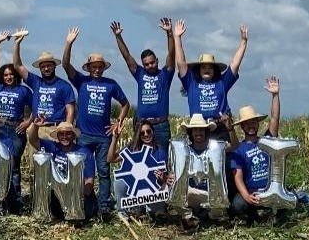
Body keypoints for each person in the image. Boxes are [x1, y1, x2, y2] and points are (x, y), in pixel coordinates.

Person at [62, 26, 130, 216]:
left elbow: (125, 104)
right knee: (82, 170)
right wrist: (69, 43)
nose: (97, 70)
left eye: (100, 67)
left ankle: (104, 206)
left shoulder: (111, 84)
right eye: (94, 67)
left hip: (104, 137)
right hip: (83, 135)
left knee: (104, 171)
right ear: (89, 68)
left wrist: (118, 122)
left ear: (103, 68)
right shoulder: (81, 81)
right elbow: (65, 65)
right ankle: (85, 202)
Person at [173, 19, 248, 140]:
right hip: (199, 128)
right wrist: (177, 38)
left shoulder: (222, 82)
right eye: (203, 67)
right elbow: (181, 63)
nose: (207, 69)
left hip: (220, 127)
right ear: (198, 70)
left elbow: (235, 64)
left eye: (210, 67)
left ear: (215, 70)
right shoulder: (191, 83)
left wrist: (243, 42)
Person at [110, 18, 175, 151]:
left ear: (157, 61)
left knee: (161, 159)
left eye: (152, 62)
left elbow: (171, 55)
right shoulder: (140, 74)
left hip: (160, 126)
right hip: (141, 126)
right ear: (143, 65)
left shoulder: (165, 74)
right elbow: (127, 56)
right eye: (146, 64)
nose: (150, 66)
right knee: (140, 159)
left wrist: (169, 34)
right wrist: (118, 37)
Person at [0, 30, 33, 212]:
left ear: (16, 75)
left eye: (11, 74)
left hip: (16, 131)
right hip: (0, 129)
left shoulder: (24, 91)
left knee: (13, 167)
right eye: (6, 74)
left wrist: (28, 122)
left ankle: (15, 203)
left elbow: (37, 108)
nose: (8, 77)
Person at [229, 76, 281, 224]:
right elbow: (237, 177)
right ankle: (252, 212)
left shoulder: (267, 140)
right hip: (252, 191)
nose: (251, 126)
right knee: (238, 205)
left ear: (258, 123)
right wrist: (246, 196)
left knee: (289, 199)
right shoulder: (238, 148)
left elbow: (274, 118)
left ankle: (273, 213)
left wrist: (275, 95)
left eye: (253, 122)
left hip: (270, 189)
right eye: (247, 123)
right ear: (242, 126)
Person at [11, 30, 76, 144]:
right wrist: (17, 44)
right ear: (40, 68)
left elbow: (70, 111)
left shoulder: (64, 86)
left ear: (54, 66)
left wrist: (66, 130)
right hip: (37, 129)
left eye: (49, 65)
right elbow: (17, 66)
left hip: (55, 129)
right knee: (35, 156)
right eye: (43, 66)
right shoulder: (36, 82)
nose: (46, 69)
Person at [27, 118, 97, 221]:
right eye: (61, 134)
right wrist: (35, 125)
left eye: (68, 134)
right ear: (57, 136)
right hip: (58, 193)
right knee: (57, 213)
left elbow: (89, 181)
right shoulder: (52, 147)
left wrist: (81, 200)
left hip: (77, 193)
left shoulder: (84, 153)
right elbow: (33, 140)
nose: (64, 137)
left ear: (73, 135)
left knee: (87, 214)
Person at [179, 113, 239, 228]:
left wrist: (230, 129)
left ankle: (203, 217)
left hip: (212, 192)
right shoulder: (186, 150)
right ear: (191, 133)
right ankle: (191, 216)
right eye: (195, 130)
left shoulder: (216, 147)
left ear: (206, 131)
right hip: (193, 192)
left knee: (218, 203)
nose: (198, 133)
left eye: (201, 130)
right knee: (175, 190)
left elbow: (235, 145)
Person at [107, 120, 168, 218]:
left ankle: (154, 211)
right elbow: (111, 159)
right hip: (136, 189)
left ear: (153, 132)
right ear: (139, 135)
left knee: (165, 187)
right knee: (119, 182)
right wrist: (115, 138)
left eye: (148, 131)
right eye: (142, 133)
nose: (146, 134)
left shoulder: (160, 152)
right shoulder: (133, 148)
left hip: (152, 190)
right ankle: (123, 212)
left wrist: (162, 177)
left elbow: (165, 178)